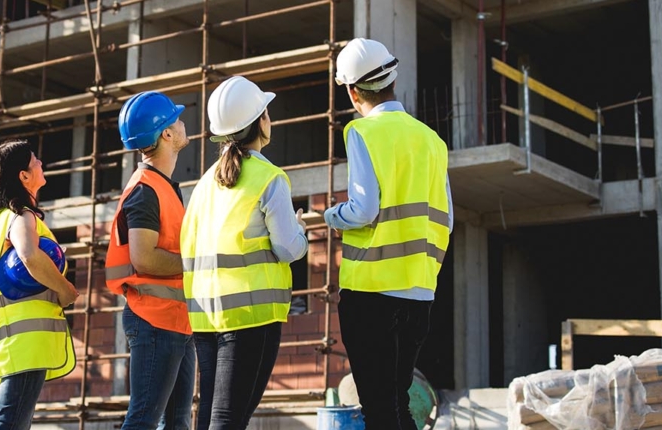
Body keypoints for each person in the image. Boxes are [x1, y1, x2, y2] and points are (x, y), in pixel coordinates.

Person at [325, 38, 453, 430]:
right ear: (392, 79)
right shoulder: (432, 140)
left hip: (372, 295)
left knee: (380, 410)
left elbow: (364, 209)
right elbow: (446, 218)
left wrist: (332, 215)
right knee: (397, 406)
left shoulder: (362, 132)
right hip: (419, 293)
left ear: (351, 91)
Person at [183, 75, 308, 430]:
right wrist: (302, 231)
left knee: (212, 414)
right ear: (259, 122)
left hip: (206, 316)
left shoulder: (204, 184)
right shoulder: (269, 179)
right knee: (227, 419)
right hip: (251, 316)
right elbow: (288, 248)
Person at [0, 139, 80, 430]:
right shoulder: (22, 216)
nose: (41, 164)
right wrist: (64, 289)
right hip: (25, 340)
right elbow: (29, 254)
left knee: (11, 419)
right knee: (10, 422)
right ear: (24, 176)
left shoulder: (1, 219)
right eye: (35, 161)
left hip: (13, 336)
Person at [107, 91, 195, 430]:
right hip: (154, 319)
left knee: (177, 423)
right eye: (176, 119)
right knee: (143, 420)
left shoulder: (163, 186)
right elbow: (144, 259)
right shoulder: (146, 190)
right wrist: (197, 263)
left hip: (173, 320)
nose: (183, 121)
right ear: (166, 135)